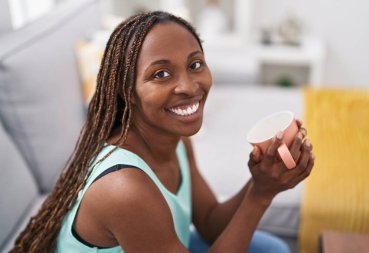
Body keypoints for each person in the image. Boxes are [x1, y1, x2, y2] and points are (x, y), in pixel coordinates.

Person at [11, 11, 314, 253]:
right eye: (161, 74)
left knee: (272, 247)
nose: (189, 86)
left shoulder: (176, 141)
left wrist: (261, 181)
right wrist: (260, 196)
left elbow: (209, 222)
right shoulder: (124, 189)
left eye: (195, 64)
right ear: (127, 90)